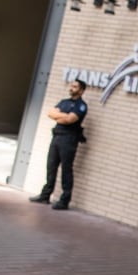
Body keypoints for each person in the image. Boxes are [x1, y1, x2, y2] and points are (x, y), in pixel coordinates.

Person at [29, 79, 89, 210]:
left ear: (81, 90)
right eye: (71, 86)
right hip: (56, 137)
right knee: (51, 166)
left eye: (75, 86)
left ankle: (64, 201)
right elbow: (50, 113)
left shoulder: (81, 106)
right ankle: (45, 195)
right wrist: (63, 116)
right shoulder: (64, 102)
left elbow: (69, 120)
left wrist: (60, 116)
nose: (71, 88)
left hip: (69, 140)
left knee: (66, 170)